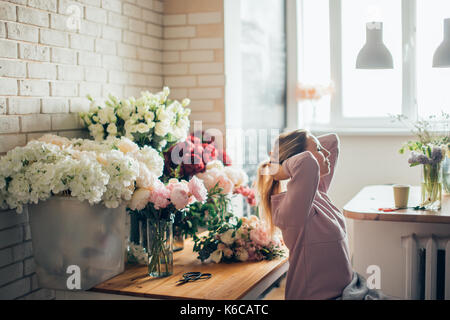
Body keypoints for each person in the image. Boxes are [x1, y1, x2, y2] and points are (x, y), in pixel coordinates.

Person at [256, 129, 353, 299]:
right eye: (319, 149)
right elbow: (306, 161)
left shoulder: (317, 193)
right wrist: (279, 168)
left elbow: (332, 140)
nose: (326, 152)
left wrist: (283, 158)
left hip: (346, 292)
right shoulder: (293, 209)